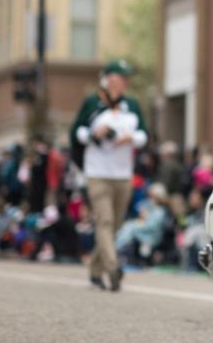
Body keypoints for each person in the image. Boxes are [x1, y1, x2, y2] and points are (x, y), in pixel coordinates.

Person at [70, 59, 147, 291]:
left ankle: (95, 269)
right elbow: (76, 132)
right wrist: (96, 133)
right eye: (120, 77)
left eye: (126, 78)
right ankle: (113, 268)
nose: (125, 82)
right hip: (97, 172)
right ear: (109, 78)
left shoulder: (132, 105)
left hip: (123, 173)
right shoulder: (93, 102)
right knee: (104, 221)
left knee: (115, 224)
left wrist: (131, 138)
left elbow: (144, 133)